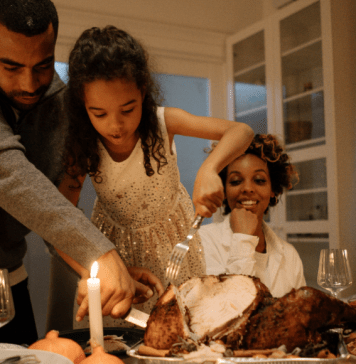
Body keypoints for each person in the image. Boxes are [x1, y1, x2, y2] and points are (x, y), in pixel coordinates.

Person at [57, 25, 254, 328]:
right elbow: (59, 220)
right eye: (99, 113)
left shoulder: (165, 122)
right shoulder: (82, 145)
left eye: (127, 109)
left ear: (143, 92)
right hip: (113, 250)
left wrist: (209, 168)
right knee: (115, 343)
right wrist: (91, 269)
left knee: (182, 334)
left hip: (175, 248)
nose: (116, 125)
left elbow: (241, 131)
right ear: (83, 105)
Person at [0, 0, 163, 345]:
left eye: (42, 66)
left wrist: (100, 271)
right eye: (10, 67)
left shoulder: (63, 105)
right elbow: (9, 174)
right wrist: (99, 253)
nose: (29, 84)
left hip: (12, 284)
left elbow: (49, 208)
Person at [199, 134, 306, 297]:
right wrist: (243, 238)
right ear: (224, 191)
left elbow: (301, 315)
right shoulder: (203, 242)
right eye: (235, 181)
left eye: (259, 180)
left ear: (272, 190)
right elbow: (227, 312)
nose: (247, 188)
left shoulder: (290, 255)